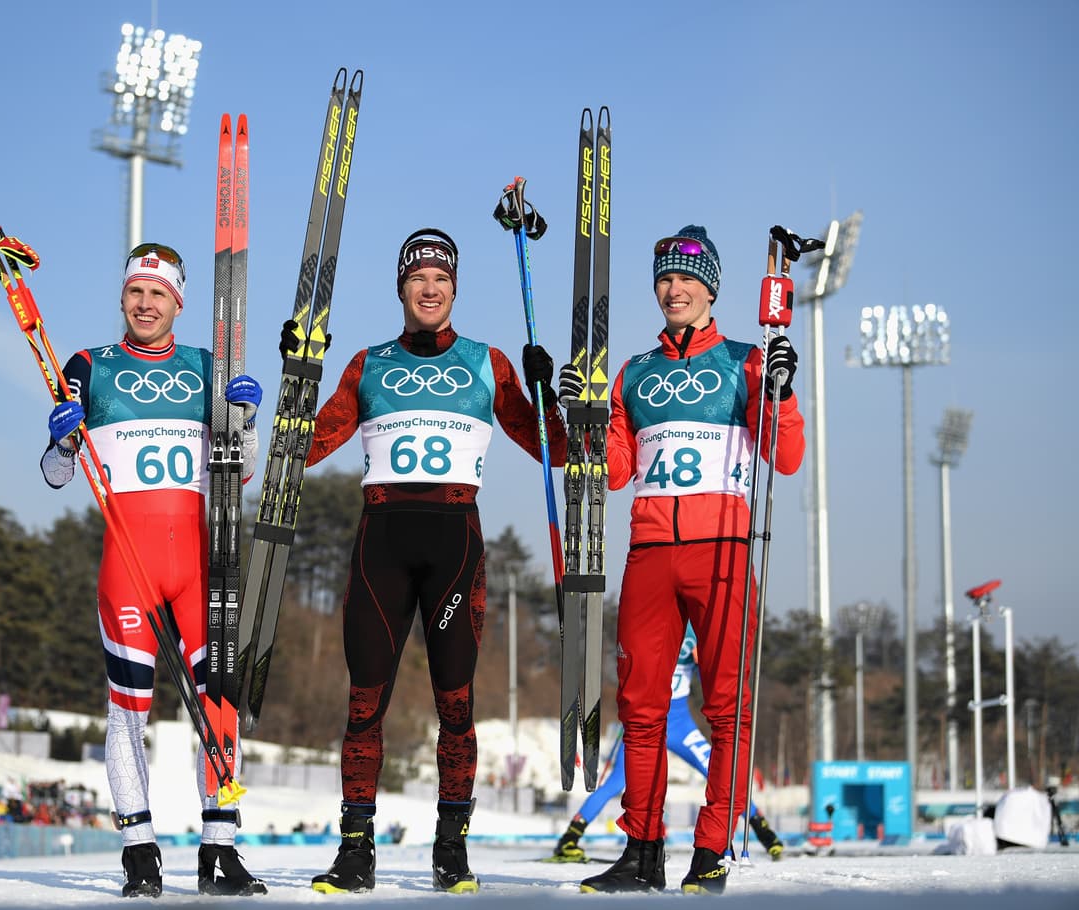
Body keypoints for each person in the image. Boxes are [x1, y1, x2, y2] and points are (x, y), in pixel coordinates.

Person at [290, 228, 569, 895]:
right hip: (379, 543)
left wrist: (546, 393)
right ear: (401, 288)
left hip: (455, 546)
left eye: (441, 277)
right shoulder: (368, 364)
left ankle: (452, 849)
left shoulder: (486, 362)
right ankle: (355, 849)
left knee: (457, 704)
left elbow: (554, 451)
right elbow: (305, 444)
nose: (429, 287)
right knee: (363, 704)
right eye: (417, 277)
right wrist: (297, 379)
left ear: (454, 287)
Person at [578, 226, 805, 895]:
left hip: (723, 552)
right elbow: (612, 472)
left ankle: (711, 852)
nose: (674, 290)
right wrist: (583, 419)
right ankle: (641, 852)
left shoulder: (745, 361)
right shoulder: (634, 373)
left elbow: (785, 458)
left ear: (711, 287)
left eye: (687, 279)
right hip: (649, 554)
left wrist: (782, 392)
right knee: (640, 709)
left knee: (729, 708)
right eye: (664, 279)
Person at [40, 242, 266, 899]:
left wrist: (246, 421)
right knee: (127, 715)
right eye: (136, 291)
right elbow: (57, 473)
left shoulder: (206, 366)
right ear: (122, 297)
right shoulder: (86, 366)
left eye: (158, 294)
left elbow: (242, 467)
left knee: (219, 708)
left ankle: (219, 853)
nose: (145, 304)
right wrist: (62, 439)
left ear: (179, 303)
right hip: (129, 567)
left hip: (199, 569)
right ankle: (140, 854)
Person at [553, 624, 784, 865]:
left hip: (680, 725)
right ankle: (570, 839)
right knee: (616, 782)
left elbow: (712, 675)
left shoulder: (697, 627)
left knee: (722, 773)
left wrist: (704, 658)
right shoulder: (660, 620)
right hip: (648, 722)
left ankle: (765, 833)